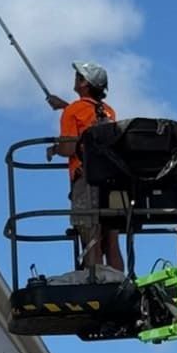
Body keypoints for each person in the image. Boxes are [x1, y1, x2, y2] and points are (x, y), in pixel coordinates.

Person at [47, 61, 124, 274]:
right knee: (111, 240)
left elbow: (69, 148)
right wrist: (66, 106)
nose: (75, 78)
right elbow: (91, 125)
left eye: (78, 76)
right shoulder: (108, 111)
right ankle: (118, 281)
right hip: (111, 182)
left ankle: (96, 281)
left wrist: (55, 149)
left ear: (85, 83)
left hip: (86, 181)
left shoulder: (74, 111)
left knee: (92, 239)